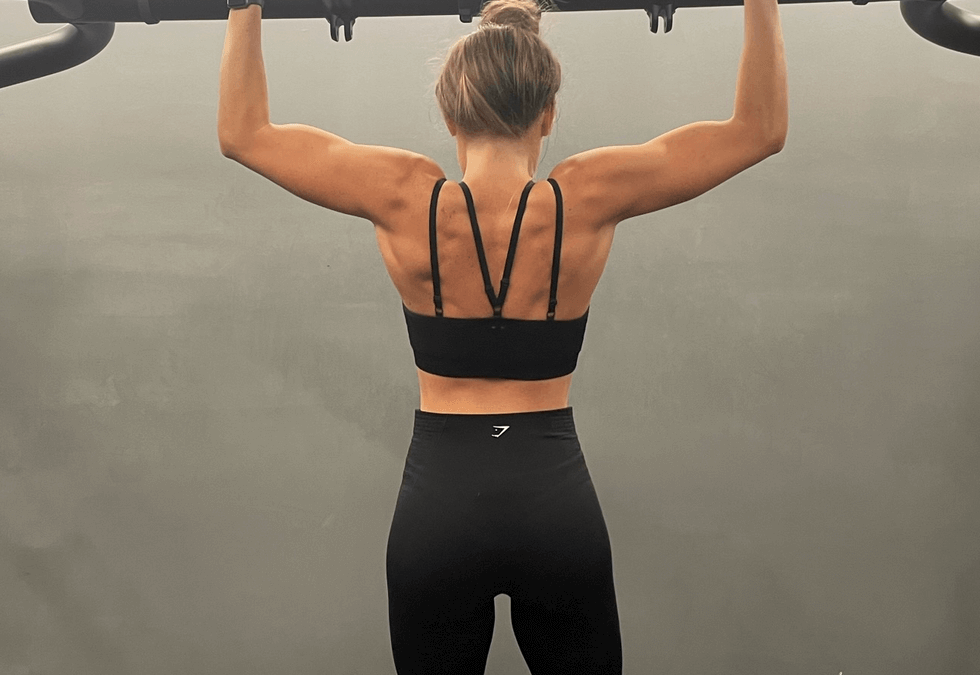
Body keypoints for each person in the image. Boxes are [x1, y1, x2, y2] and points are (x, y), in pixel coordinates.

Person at [218, 0, 787, 672]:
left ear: (449, 113)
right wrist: (762, 1)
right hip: (553, 500)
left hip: (440, 506)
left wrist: (243, 7)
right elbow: (758, 130)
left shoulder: (402, 193)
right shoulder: (587, 194)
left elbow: (244, 134)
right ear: (549, 114)